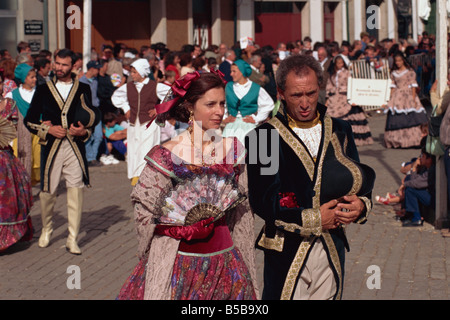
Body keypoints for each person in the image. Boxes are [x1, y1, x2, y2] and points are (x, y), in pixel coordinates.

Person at [117, 71, 258, 300]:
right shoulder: (167, 154)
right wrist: (176, 229)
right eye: (210, 104)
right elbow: (145, 213)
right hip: (179, 262)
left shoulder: (233, 149)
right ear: (191, 107)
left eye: (222, 103)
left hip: (226, 262)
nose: (220, 111)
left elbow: (242, 211)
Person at [245, 54, 375, 300]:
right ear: (281, 93)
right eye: (296, 95)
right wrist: (313, 217)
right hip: (287, 249)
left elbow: (355, 180)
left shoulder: (340, 129)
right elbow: (265, 198)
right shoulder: (264, 137)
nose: (305, 103)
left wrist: (361, 205)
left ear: (320, 89)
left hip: (331, 244)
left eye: (311, 94)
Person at [24, 48, 101, 255]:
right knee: (48, 192)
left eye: (64, 64)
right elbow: (29, 120)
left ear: (73, 66)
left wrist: (84, 130)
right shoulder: (43, 89)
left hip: (75, 147)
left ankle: (72, 238)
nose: (59, 68)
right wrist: (48, 128)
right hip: (51, 148)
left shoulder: (83, 88)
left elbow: (92, 115)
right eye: (56, 63)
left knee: (75, 190)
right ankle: (47, 229)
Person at [111, 58, 160, 185]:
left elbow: (172, 95)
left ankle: (144, 176)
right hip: (134, 123)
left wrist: (159, 109)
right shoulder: (128, 87)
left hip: (149, 123)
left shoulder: (155, 86)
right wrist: (126, 108)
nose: (132, 75)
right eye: (131, 72)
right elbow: (116, 97)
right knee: (134, 149)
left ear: (142, 72)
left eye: (134, 72)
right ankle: (135, 175)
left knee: (146, 149)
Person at [0, 73, 33, 252]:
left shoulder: (11, 105)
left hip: (5, 160)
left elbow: (18, 133)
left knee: (8, 200)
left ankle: (7, 238)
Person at [222, 59, 274, 144]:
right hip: (231, 127)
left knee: (249, 151)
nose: (231, 74)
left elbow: (269, 104)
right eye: (231, 71)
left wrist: (257, 118)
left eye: (234, 71)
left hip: (248, 126)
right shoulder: (228, 87)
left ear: (242, 71)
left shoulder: (255, 88)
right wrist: (224, 117)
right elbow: (222, 103)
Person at [325, 55, 373, 145]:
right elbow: (329, 86)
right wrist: (328, 97)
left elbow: (352, 84)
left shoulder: (347, 73)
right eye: (338, 63)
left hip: (345, 97)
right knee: (332, 116)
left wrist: (346, 91)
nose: (340, 65)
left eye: (341, 63)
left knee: (349, 116)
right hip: (334, 98)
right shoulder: (332, 75)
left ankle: (353, 139)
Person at [383, 52, 428, 148]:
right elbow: (393, 87)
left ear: (403, 60)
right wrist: (390, 99)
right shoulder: (394, 73)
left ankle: (413, 140)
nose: (398, 63)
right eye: (396, 61)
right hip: (397, 96)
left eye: (399, 61)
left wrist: (413, 99)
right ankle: (398, 141)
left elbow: (413, 86)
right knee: (397, 117)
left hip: (407, 95)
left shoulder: (410, 72)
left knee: (412, 116)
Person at [6, 63, 40, 185]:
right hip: (20, 134)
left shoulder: (40, 93)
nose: (35, 79)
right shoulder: (13, 95)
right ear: (23, 78)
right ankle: (24, 187)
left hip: (38, 133)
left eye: (35, 76)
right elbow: (6, 117)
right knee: (22, 160)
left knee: (38, 160)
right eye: (31, 77)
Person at [401, 148, 435, 227]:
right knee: (409, 183)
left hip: (433, 198)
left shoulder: (432, 170)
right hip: (427, 193)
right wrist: (414, 168)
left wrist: (403, 185)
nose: (420, 158)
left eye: (422, 156)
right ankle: (409, 214)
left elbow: (417, 183)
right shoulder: (425, 168)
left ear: (429, 159)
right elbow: (414, 180)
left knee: (410, 190)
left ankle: (416, 218)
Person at [80, 60, 103, 167]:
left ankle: (93, 157)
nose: (98, 71)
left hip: (96, 111)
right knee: (88, 136)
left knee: (98, 135)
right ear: (91, 69)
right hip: (86, 113)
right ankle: (89, 158)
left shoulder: (96, 81)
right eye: (97, 69)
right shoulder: (81, 81)